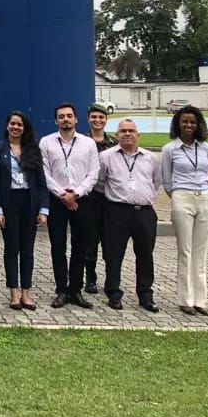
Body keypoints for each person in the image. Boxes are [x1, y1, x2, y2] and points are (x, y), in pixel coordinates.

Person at [39, 102, 100, 309]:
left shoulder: (88, 144)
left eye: (69, 116)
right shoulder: (46, 143)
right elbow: (44, 173)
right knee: (58, 247)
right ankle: (62, 289)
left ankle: (76, 290)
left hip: (82, 200)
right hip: (57, 201)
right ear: (56, 120)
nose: (66, 119)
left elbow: (93, 173)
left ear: (76, 119)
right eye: (61, 116)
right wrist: (62, 194)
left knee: (80, 247)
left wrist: (76, 193)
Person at [0, 111, 48, 310]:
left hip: (29, 202)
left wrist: (43, 209)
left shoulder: (33, 149)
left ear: (24, 128)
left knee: (27, 250)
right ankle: (13, 292)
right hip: (8, 203)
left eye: (19, 125)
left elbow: (41, 182)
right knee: (11, 249)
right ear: (7, 126)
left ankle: (26, 293)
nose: (15, 127)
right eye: (12, 124)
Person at [98, 119, 162, 312]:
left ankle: (145, 295)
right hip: (117, 211)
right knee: (114, 254)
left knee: (145, 255)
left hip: (144, 212)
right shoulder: (106, 157)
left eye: (131, 131)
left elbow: (155, 182)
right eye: (123, 131)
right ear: (116, 135)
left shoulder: (151, 158)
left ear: (138, 135)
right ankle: (114, 293)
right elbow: (100, 183)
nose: (127, 134)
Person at [162, 105, 208, 316]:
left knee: (201, 252)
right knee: (185, 251)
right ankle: (185, 299)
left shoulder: (205, 147)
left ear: (198, 124)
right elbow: (166, 180)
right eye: (185, 122)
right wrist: (177, 197)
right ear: (178, 124)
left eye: (192, 122)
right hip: (182, 197)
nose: (189, 125)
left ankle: (200, 300)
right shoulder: (169, 149)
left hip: (205, 197)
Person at [83, 102, 117, 294]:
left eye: (101, 117)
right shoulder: (82, 141)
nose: (97, 120)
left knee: (110, 241)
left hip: (110, 197)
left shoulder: (114, 143)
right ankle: (90, 279)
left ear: (106, 120)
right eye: (94, 117)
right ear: (89, 119)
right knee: (90, 240)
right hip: (90, 197)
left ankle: (111, 280)